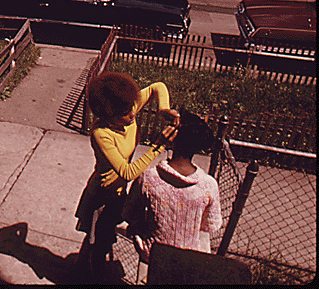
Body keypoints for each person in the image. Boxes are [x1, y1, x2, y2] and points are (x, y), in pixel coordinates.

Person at [73, 72, 180, 279]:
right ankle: (94, 279)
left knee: (95, 238)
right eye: (125, 113)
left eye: (133, 107)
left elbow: (158, 85)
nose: (133, 114)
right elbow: (127, 171)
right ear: (107, 115)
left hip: (119, 193)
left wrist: (164, 109)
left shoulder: (127, 106)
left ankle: (77, 269)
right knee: (101, 246)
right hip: (102, 197)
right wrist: (158, 146)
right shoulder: (101, 133)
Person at [122, 110, 222, 263]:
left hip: (153, 256)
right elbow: (209, 225)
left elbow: (129, 214)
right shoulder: (208, 185)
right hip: (188, 258)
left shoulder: (148, 178)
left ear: (172, 138)